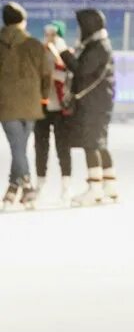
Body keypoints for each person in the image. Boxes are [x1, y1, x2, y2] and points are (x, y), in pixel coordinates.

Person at [0, 2, 51, 210]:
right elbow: (46, 73)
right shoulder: (34, 44)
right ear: (22, 21)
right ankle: (26, 188)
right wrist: (44, 97)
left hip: (6, 103)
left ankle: (14, 189)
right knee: (19, 147)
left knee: (17, 147)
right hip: (31, 103)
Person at [66, 9, 118, 206]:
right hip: (100, 101)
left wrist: (62, 52)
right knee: (99, 142)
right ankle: (109, 184)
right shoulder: (98, 45)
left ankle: (95, 188)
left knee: (92, 143)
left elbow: (81, 70)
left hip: (94, 103)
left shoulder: (98, 47)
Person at [34, 21, 74, 203]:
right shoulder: (39, 53)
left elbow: (70, 75)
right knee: (41, 147)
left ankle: (66, 185)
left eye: (53, 34)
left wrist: (55, 72)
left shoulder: (67, 54)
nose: (49, 37)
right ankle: (40, 183)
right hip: (42, 107)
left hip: (61, 109)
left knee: (62, 147)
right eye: (47, 33)